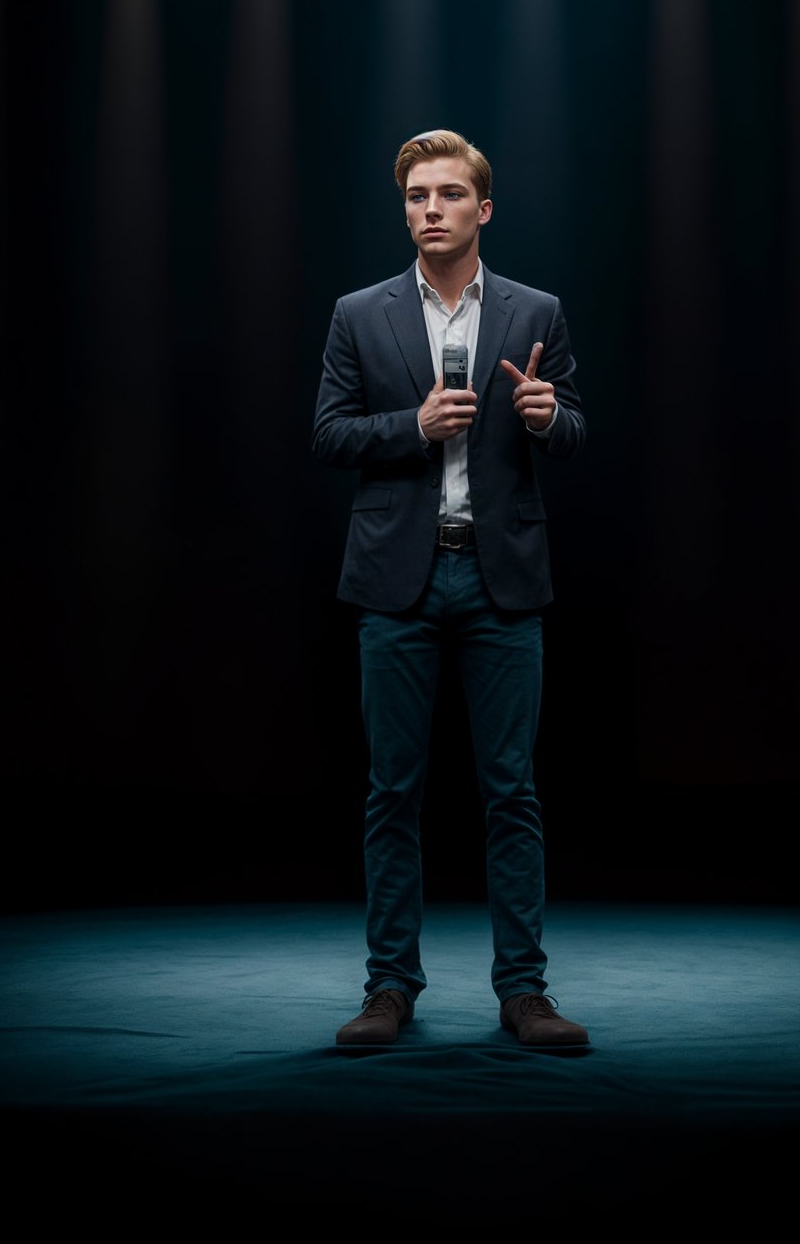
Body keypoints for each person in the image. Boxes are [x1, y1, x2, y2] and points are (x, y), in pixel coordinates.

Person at [311, 128, 588, 1049]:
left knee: (510, 792)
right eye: (416, 197)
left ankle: (526, 993)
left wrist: (552, 419)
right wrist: (412, 424)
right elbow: (330, 435)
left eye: (447, 195)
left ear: (484, 209)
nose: (429, 209)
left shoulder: (535, 311)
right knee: (393, 791)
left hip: (501, 581)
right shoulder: (360, 313)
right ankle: (390, 988)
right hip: (398, 584)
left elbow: (576, 427)